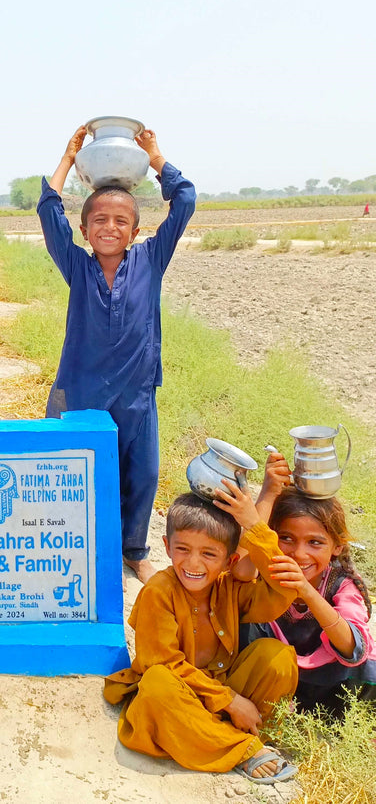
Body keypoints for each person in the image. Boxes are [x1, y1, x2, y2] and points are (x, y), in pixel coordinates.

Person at [38, 126, 196, 583]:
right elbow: (49, 212)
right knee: (72, 468)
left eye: (120, 221)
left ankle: (133, 549)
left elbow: (184, 200)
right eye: (99, 221)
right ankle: (74, 541)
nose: (110, 227)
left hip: (136, 393)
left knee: (141, 474)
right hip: (82, 389)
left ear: (136, 230)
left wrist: (153, 156)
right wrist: (69, 156)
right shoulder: (77, 266)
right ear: (84, 230)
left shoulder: (151, 259)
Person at [103, 484, 299, 786]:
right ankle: (241, 747)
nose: (193, 563)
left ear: (229, 561)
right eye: (183, 549)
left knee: (277, 656)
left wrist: (254, 526)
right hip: (178, 696)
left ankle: (239, 734)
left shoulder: (229, 586)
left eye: (209, 553)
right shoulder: (159, 590)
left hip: (220, 687)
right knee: (157, 683)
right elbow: (165, 663)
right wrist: (231, 701)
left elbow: (284, 588)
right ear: (167, 547)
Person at [235, 450, 375, 716]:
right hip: (273, 674)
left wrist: (307, 592)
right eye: (286, 538)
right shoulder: (267, 568)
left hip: (328, 685)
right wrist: (268, 492)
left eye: (315, 542)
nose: (299, 554)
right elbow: (241, 567)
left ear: (336, 547)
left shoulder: (341, 585)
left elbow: (353, 650)